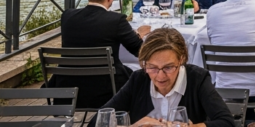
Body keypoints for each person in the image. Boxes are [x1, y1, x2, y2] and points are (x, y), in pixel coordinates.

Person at [91, 27, 235, 127]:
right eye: (152, 67)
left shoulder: (197, 79)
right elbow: (97, 121)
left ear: (181, 59)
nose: (160, 76)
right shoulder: (139, 79)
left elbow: (227, 122)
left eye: (168, 67)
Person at [49, 0, 152, 109]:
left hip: (67, 89)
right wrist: (139, 35)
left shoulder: (67, 16)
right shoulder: (116, 20)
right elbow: (140, 51)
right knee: (143, 76)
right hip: (108, 90)